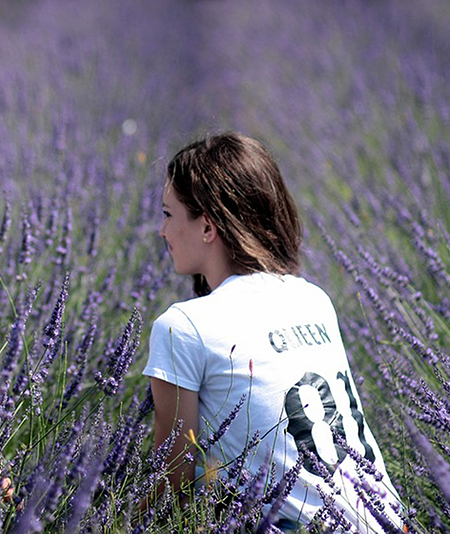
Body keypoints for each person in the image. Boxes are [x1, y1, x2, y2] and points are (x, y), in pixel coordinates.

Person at [143, 132, 402, 531]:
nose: (162, 231)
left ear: (208, 226)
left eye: (168, 214)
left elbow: (171, 483)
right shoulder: (313, 298)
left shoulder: (183, 327)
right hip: (389, 521)